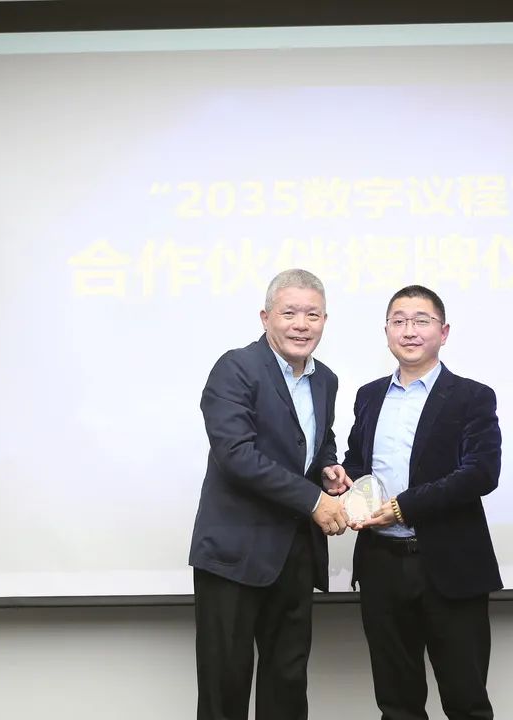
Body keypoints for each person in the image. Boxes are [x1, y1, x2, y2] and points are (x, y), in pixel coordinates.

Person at [189, 268, 351, 720]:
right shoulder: (236, 367)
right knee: (225, 686)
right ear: (265, 317)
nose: (302, 324)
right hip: (234, 554)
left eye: (312, 315)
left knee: (287, 683)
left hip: (295, 554)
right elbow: (236, 455)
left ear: (325, 321)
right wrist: (315, 501)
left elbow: (316, 442)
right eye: (289, 313)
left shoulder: (325, 379)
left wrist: (328, 470)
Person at [343, 284, 503, 720]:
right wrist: (346, 483)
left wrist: (404, 507)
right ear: (387, 332)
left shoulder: (472, 396)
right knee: (397, 705)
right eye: (398, 321)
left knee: (467, 702)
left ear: (443, 332)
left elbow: (481, 473)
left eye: (421, 321)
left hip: (450, 565)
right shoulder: (369, 395)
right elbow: (357, 463)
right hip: (381, 564)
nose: (409, 330)